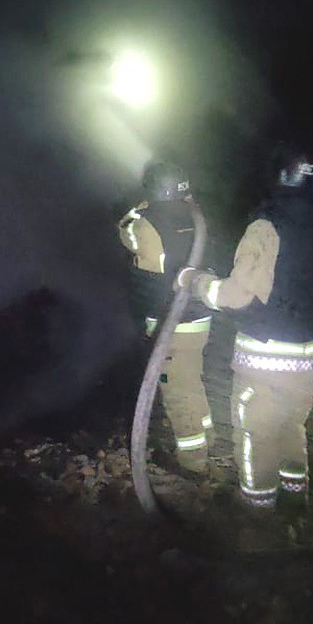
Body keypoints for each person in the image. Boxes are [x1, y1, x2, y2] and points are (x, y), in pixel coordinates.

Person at [177, 148, 313, 511]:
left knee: (256, 432)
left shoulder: (265, 228)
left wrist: (197, 283)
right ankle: (294, 494)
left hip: (267, 357)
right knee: (292, 424)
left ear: (280, 177)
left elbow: (237, 295)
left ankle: (256, 510)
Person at [119, 161, 215, 475]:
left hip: (170, 323)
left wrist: (139, 208)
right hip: (199, 318)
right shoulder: (196, 217)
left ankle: (193, 461)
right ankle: (207, 437)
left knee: (175, 389)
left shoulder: (146, 223)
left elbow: (125, 231)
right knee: (191, 379)